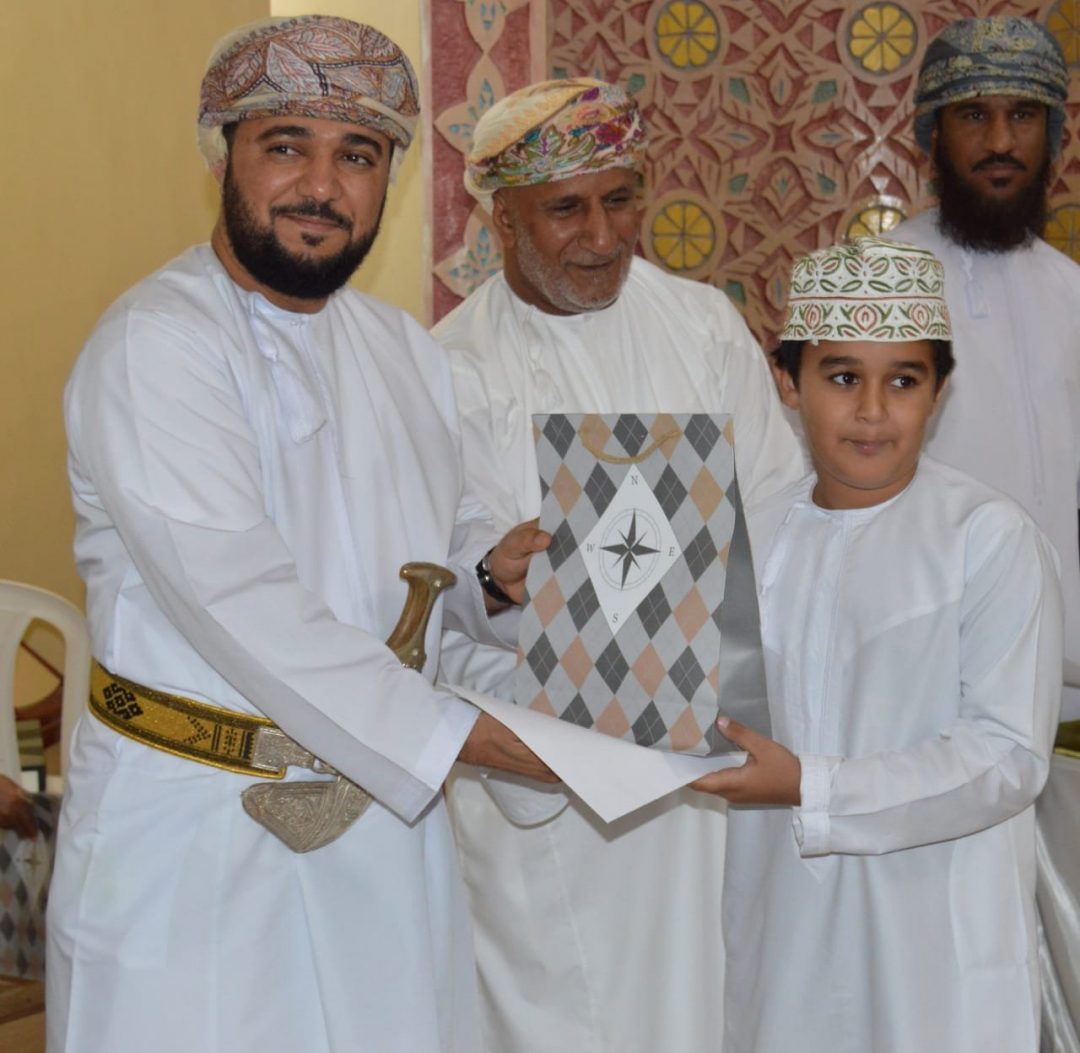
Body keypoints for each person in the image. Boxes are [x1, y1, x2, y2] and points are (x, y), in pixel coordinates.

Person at [46, 17, 554, 1053]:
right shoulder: (154, 344)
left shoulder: (404, 349)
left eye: (357, 155)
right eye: (287, 146)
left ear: (388, 179)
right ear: (221, 154)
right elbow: (245, 605)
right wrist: (486, 742)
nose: (321, 185)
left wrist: (490, 577)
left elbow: (432, 549)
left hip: (382, 833)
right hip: (193, 834)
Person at [435, 78, 804, 1052]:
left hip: (705, 764)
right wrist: (492, 580)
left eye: (621, 199)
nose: (603, 236)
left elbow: (779, 510)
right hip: (546, 783)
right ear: (502, 218)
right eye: (566, 209)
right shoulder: (446, 368)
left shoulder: (701, 325)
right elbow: (426, 588)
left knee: (706, 1005)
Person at [693, 236, 1064, 1052]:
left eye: (903, 380)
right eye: (841, 377)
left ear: (939, 391)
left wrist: (814, 785)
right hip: (785, 936)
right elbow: (689, 708)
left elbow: (1007, 757)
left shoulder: (987, 538)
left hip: (935, 946)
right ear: (788, 383)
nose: (872, 411)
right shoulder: (743, 536)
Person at [889, 15, 1080, 723]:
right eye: (974, 115)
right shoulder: (880, 279)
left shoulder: (1072, 292)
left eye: (1023, 115)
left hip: (1060, 674)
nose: (1001, 141)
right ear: (933, 135)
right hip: (918, 665)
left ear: (1051, 136)